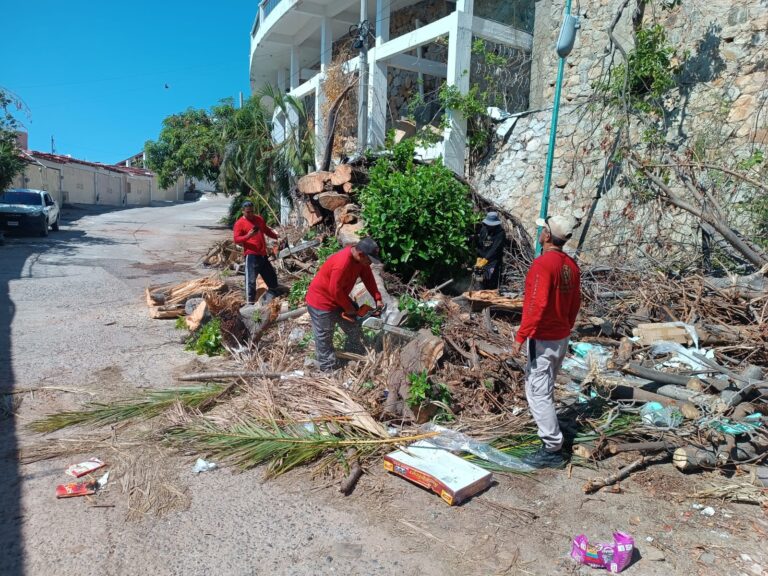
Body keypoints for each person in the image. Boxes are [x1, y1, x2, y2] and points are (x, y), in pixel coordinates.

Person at [511, 214, 581, 468]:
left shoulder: (543, 265)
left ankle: (552, 448)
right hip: (560, 337)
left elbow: (535, 305)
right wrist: (566, 326)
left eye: (542, 230)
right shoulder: (570, 266)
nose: (539, 233)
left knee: (537, 391)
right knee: (545, 386)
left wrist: (521, 336)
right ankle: (551, 437)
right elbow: (575, 304)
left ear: (548, 236)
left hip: (543, 338)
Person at [305, 237, 384, 373]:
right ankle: (327, 369)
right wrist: (348, 308)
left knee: (353, 325)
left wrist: (377, 297)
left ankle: (354, 352)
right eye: (369, 260)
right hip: (321, 302)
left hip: (338, 297)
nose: (370, 263)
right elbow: (334, 290)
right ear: (361, 254)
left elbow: (368, 277)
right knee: (325, 337)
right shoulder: (342, 263)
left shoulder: (360, 261)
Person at [233, 200, 281, 304]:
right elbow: (236, 239)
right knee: (250, 280)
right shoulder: (239, 223)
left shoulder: (258, 219)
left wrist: (277, 236)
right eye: (247, 212)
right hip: (251, 255)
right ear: (243, 211)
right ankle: (250, 303)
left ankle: (271, 297)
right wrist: (248, 236)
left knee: (272, 277)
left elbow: (266, 230)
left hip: (263, 254)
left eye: (251, 211)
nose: (250, 214)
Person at [475, 211, 507, 290]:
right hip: (482, 259)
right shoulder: (484, 229)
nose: (489, 226)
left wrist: (486, 259)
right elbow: (480, 244)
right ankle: (479, 293)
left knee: (491, 280)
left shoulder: (500, 233)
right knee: (479, 278)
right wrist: (479, 257)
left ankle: (490, 296)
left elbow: (495, 249)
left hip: (493, 261)